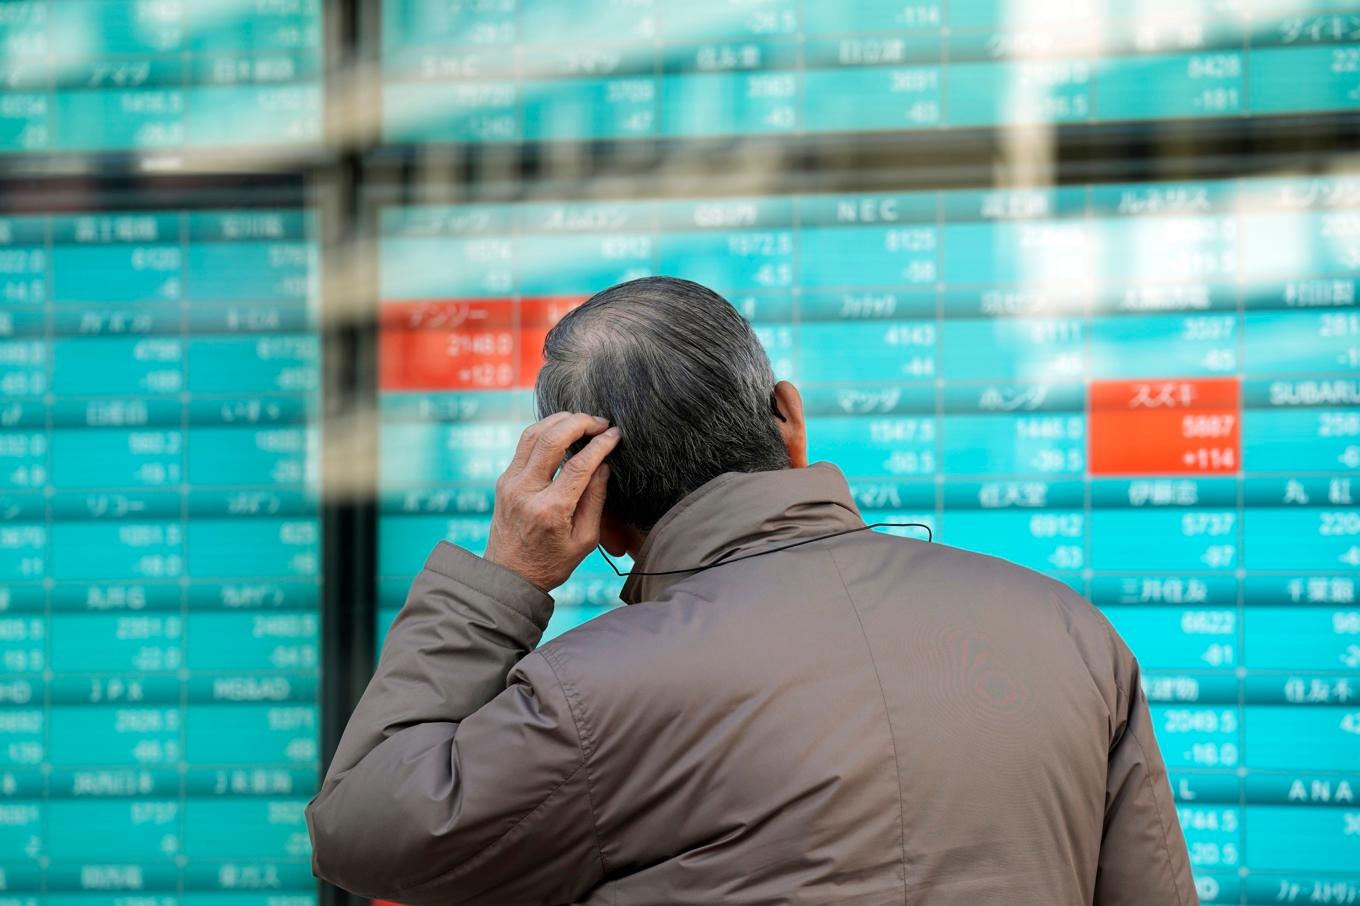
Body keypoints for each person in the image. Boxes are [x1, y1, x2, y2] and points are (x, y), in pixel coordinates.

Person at [305, 276, 1197, 905]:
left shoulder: (586, 696)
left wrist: (502, 580)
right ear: (789, 418)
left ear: (594, 504)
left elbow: (365, 829)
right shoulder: (1067, 629)